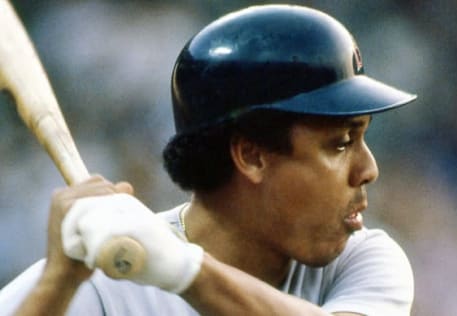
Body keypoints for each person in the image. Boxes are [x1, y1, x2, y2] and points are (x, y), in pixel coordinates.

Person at [0, 4, 416, 316]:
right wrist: (57, 284)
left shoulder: (361, 260)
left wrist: (180, 269)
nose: (368, 169)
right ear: (251, 156)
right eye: (341, 143)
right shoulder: (105, 284)